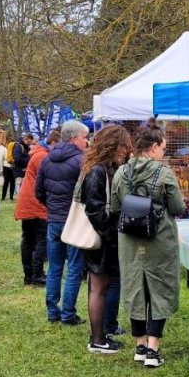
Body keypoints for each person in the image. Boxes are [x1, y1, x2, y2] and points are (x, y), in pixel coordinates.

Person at [109, 127, 185, 368]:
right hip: (159, 239)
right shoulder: (164, 173)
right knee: (160, 288)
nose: (163, 152)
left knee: (134, 288)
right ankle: (153, 349)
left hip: (130, 240)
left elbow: (114, 206)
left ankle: (139, 345)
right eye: (163, 148)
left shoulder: (121, 171)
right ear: (153, 148)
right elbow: (178, 206)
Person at [81, 124, 132, 354]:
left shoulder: (102, 169)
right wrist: (112, 237)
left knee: (99, 288)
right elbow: (95, 210)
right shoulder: (97, 171)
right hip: (101, 240)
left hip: (104, 239)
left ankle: (100, 336)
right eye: (122, 147)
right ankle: (98, 338)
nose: (125, 151)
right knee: (98, 288)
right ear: (112, 145)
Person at [38, 120, 89, 325]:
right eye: (85, 138)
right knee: (74, 268)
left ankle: (53, 311)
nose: (87, 142)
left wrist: (52, 206)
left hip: (54, 220)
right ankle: (68, 313)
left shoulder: (47, 159)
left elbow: (38, 191)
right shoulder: (81, 162)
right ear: (74, 138)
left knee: (55, 267)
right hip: (73, 220)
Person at [15, 136, 50, 286]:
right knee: (40, 240)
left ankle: (29, 275)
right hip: (36, 202)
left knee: (28, 239)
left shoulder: (36, 154)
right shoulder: (43, 156)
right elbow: (46, 181)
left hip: (27, 201)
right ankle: (37, 274)